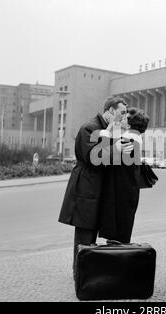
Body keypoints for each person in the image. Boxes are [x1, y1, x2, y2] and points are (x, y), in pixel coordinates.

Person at [58, 96, 133, 277]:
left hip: (97, 189)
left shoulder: (109, 128)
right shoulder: (89, 128)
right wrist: (117, 150)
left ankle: (87, 272)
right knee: (85, 235)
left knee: (91, 234)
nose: (124, 116)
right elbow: (94, 157)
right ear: (109, 111)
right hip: (86, 189)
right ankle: (80, 275)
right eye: (122, 112)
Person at [97, 107, 153, 243]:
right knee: (124, 233)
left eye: (123, 118)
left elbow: (102, 154)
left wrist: (107, 129)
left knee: (117, 238)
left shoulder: (127, 140)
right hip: (129, 193)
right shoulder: (137, 139)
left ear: (128, 125)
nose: (120, 120)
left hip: (119, 195)